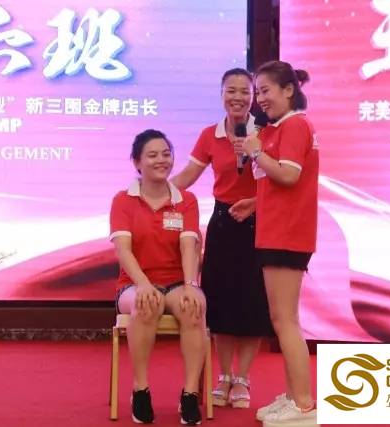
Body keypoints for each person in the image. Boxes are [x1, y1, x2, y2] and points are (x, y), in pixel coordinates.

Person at [170, 68, 274, 409]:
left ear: (254, 97)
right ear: (221, 95)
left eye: (245, 91)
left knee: (253, 303)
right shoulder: (209, 135)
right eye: (231, 91)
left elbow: (280, 180)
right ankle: (225, 375)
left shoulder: (266, 132)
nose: (238, 98)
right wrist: (151, 191)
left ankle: (243, 378)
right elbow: (188, 176)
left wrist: (256, 200)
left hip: (260, 222)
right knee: (222, 302)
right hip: (222, 223)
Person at [239, 61, 319, 426]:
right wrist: (255, 202)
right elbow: (280, 184)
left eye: (265, 90)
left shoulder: (296, 125)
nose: (260, 99)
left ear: (288, 90)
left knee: (285, 320)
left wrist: (256, 151)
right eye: (258, 92)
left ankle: (303, 404)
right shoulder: (278, 128)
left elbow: (288, 175)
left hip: (288, 235)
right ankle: (293, 396)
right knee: (281, 319)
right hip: (276, 231)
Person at [110, 129, 207, 425]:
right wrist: (143, 284)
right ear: (137, 162)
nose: (161, 160)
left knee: (193, 307)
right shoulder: (123, 200)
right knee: (146, 303)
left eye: (166, 154)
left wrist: (191, 285)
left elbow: (189, 247)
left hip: (176, 281)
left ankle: (189, 394)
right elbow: (123, 250)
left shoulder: (186, 200)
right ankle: (140, 390)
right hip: (133, 283)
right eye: (152, 155)